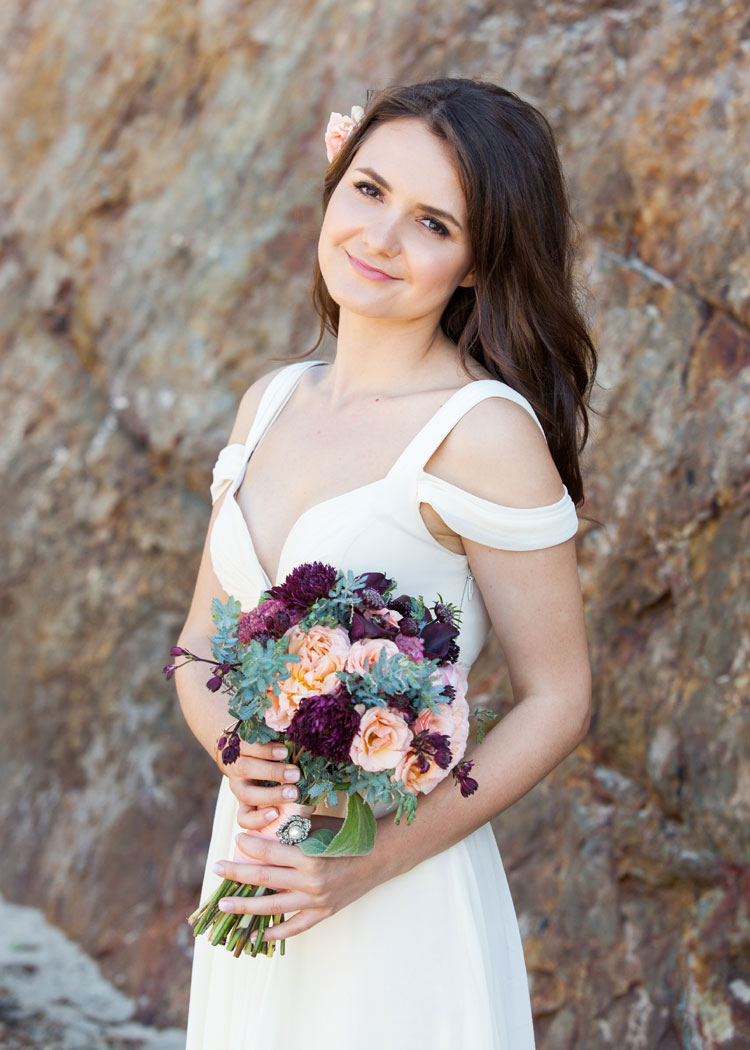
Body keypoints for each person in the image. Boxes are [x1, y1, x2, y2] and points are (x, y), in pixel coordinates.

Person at [175, 77, 596, 1050]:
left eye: (432, 223)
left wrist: (369, 861)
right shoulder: (268, 402)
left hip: (396, 887)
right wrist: (246, 759)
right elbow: (202, 648)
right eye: (368, 191)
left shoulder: (484, 433)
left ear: (479, 264)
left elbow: (558, 701)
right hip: (256, 862)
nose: (380, 240)